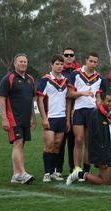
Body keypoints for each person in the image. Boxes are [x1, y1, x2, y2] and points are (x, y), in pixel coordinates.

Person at [0, 53, 36, 184]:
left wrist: (33, 117)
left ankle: (16, 175)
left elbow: (31, 100)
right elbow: (2, 99)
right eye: (20, 61)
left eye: (25, 61)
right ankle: (23, 173)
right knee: (18, 143)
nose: (23, 64)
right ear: (15, 64)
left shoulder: (30, 79)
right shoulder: (8, 78)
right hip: (13, 118)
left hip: (26, 118)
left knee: (21, 145)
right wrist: (4, 119)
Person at [66, 92, 111, 185]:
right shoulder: (97, 114)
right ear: (101, 101)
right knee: (106, 181)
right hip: (104, 154)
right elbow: (96, 138)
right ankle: (79, 174)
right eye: (108, 101)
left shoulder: (109, 114)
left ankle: (83, 174)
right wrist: (102, 158)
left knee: (110, 178)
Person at [37, 54, 70, 182]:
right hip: (50, 117)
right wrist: (44, 118)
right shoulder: (45, 79)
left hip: (62, 118)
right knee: (49, 145)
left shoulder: (66, 81)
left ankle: (55, 172)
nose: (60, 66)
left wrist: (67, 119)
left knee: (57, 146)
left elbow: (68, 101)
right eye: (57, 64)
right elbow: (40, 100)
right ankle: (47, 173)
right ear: (51, 65)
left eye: (61, 64)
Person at [67, 52, 102, 173]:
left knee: (88, 141)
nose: (92, 64)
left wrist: (100, 110)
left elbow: (98, 98)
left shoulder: (98, 77)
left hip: (92, 112)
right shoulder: (75, 74)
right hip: (79, 111)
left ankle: (86, 170)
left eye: (95, 62)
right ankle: (77, 169)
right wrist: (83, 93)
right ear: (86, 60)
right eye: (90, 61)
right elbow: (70, 93)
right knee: (79, 140)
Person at [60, 47, 81, 173]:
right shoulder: (57, 71)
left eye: (71, 55)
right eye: (66, 55)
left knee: (73, 142)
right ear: (63, 56)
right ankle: (57, 169)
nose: (68, 57)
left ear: (74, 57)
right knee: (59, 143)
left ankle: (73, 169)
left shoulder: (79, 72)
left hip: (75, 112)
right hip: (59, 111)